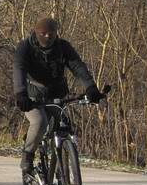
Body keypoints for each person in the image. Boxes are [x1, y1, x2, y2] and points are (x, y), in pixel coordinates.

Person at [13, 17, 103, 173]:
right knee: (40, 123)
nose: (48, 37)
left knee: (63, 125)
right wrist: (21, 94)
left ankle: (63, 166)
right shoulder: (25, 47)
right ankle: (27, 155)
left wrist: (91, 88)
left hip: (57, 95)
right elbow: (19, 70)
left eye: (51, 34)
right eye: (43, 33)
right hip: (32, 96)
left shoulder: (63, 47)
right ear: (36, 32)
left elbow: (78, 67)